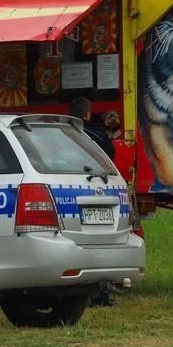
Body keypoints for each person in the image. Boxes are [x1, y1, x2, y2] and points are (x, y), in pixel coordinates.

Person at [69, 97, 117, 307]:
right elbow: (110, 158)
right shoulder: (96, 136)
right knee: (100, 245)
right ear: (88, 114)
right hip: (97, 190)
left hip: (69, 191)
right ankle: (100, 295)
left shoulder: (61, 133)